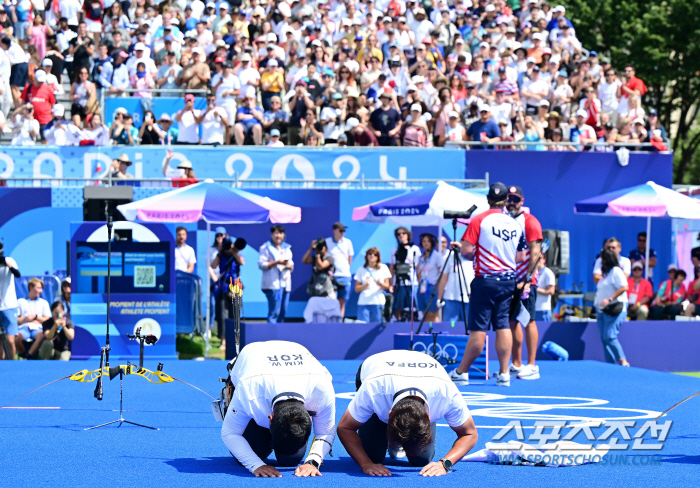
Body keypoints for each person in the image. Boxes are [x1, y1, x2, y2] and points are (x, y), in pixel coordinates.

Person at [336, 350, 477, 476]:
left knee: (421, 460)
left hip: (423, 372)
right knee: (372, 456)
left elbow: (469, 434)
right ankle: (389, 437)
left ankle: (400, 438)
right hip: (375, 367)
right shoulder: (374, 389)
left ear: (428, 417)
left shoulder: (446, 393)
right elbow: (345, 427)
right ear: (389, 414)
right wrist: (366, 464)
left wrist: (445, 463)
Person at [221, 341, 336, 478]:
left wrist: (313, 461)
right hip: (253, 359)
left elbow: (326, 431)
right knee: (253, 454)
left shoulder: (322, 388)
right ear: (269, 418)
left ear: (309, 419)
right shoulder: (248, 389)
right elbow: (230, 433)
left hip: (294, 352)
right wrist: (255, 464)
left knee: (291, 460)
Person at [449, 183, 524, 387]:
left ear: (488, 199)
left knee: (478, 329)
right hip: (508, 280)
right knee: (502, 325)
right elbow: (520, 256)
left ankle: (462, 372)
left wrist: (482, 251)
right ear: (506, 201)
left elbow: (465, 252)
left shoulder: (479, 220)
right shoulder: (514, 223)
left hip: (485, 280)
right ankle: (504, 373)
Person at [506, 185, 544, 381]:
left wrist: (528, 279)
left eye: (515, 199)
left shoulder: (530, 222)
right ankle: (516, 363)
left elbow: (536, 253)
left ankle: (532, 365)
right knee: (512, 321)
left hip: (526, 280)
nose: (511, 202)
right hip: (509, 279)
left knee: (528, 320)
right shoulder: (504, 221)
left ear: (522, 201)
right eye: (509, 199)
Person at [594, 249, 630, 366]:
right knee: (604, 339)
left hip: (614, 310)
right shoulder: (605, 273)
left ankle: (622, 360)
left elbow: (624, 287)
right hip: (602, 311)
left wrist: (609, 299)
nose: (600, 261)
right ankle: (609, 364)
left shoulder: (616, 271)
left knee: (609, 336)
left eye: (602, 258)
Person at [211, 236, 245, 350]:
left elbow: (242, 262)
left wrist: (234, 252)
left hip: (235, 285)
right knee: (222, 314)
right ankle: (223, 341)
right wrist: (220, 252)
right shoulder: (221, 255)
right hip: (223, 286)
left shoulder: (236, 255)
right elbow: (213, 265)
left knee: (235, 313)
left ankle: (235, 340)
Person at [258, 225, 294, 323]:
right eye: (276, 233)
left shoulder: (286, 248)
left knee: (283, 311)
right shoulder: (266, 247)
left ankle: (279, 334)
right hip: (274, 284)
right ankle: (271, 334)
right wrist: (277, 262)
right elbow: (261, 265)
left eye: (281, 233)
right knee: (274, 312)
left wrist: (288, 265)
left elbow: (291, 264)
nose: (278, 236)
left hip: (285, 283)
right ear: (272, 234)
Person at [389, 227, 422, 320]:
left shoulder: (415, 249)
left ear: (407, 235)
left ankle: (414, 322)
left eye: (403, 233)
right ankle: (397, 323)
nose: (401, 236)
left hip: (412, 282)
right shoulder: (394, 250)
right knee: (398, 306)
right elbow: (392, 268)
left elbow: (418, 267)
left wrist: (419, 281)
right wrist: (391, 283)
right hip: (399, 282)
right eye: (398, 234)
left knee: (414, 305)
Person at [437, 242, 473, 324]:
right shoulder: (450, 256)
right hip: (451, 298)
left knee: (470, 327)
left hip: (470, 299)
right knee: (449, 327)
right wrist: (439, 297)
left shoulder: (475, 257)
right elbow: (443, 278)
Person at [15, 277, 51, 359]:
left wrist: (36, 317)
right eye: (39, 288)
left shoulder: (44, 303)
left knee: (42, 335)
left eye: (41, 288)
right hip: (24, 328)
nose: (41, 291)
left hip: (38, 328)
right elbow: (16, 320)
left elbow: (48, 319)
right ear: (31, 287)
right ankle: (23, 355)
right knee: (15, 337)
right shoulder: (20, 302)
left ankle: (29, 356)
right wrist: (25, 319)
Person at [354, 248, 391, 322]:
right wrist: (366, 285)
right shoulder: (361, 269)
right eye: (370, 253)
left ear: (378, 257)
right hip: (364, 302)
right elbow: (356, 289)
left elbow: (387, 286)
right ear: (366, 256)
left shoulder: (383, 268)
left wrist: (380, 283)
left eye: (375, 254)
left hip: (378, 302)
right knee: (362, 326)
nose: (372, 255)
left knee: (378, 325)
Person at [325, 222, 354, 318]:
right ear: (334, 231)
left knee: (342, 301)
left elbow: (350, 257)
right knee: (332, 300)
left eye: (344, 231)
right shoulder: (327, 241)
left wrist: (346, 268)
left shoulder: (348, 242)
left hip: (345, 276)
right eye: (340, 230)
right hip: (332, 276)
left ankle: (340, 322)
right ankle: (332, 322)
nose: (342, 233)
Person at [0, 243, 20, 360]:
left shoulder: (9, 260)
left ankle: (13, 363)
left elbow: (17, 274)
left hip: (9, 305)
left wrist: (8, 265)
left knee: (9, 340)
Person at [416, 233, 442, 323]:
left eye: (428, 241)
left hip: (432, 286)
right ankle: (427, 331)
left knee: (432, 313)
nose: (426, 243)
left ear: (432, 243)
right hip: (422, 287)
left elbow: (441, 272)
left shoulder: (436, 255)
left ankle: (435, 332)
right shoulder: (420, 257)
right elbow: (418, 272)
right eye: (424, 241)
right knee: (424, 312)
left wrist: (437, 288)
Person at [534, 255, 556, 322]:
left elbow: (551, 291)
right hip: (533, 309)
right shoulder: (533, 272)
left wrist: (535, 289)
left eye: (539, 258)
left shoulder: (548, 273)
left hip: (543, 309)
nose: (537, 260)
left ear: (544, 260)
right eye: (535, 258)